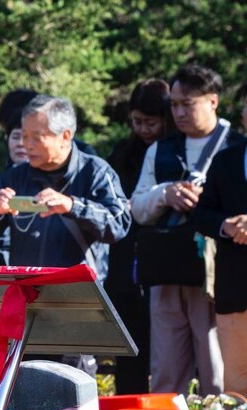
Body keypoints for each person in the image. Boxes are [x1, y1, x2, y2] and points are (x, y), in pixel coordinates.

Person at [131, 64, 244, 396]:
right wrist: (164, 194)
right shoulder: (160, 148)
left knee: (218, 370)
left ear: (213, 101)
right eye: (174, 104)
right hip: (166, 269)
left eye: (187, 104)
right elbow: (136, 207)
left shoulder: (236, 147)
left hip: (219, 273)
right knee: (165, 371)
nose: (178, 112)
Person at [0, 95, 130, 277]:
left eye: (37, 138)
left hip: (79, 294)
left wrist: (72, 206)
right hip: (27, 292)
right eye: (24, 136)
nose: (27, 145)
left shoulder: (95, 172)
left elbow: (119, 223)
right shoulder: (15, 176)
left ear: (65, 136)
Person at [105, 79, 172, 393]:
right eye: (137, 122)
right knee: (128, 352)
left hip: (162, 259)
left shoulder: (172, 151)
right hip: (124, 261)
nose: (144, 129)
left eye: (152, 122)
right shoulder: (123, 151)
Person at [192, 134, 247, 394]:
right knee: (236, 392)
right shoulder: (226, 159)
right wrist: (224, 225)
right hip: (234, 292)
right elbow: (202, 214)